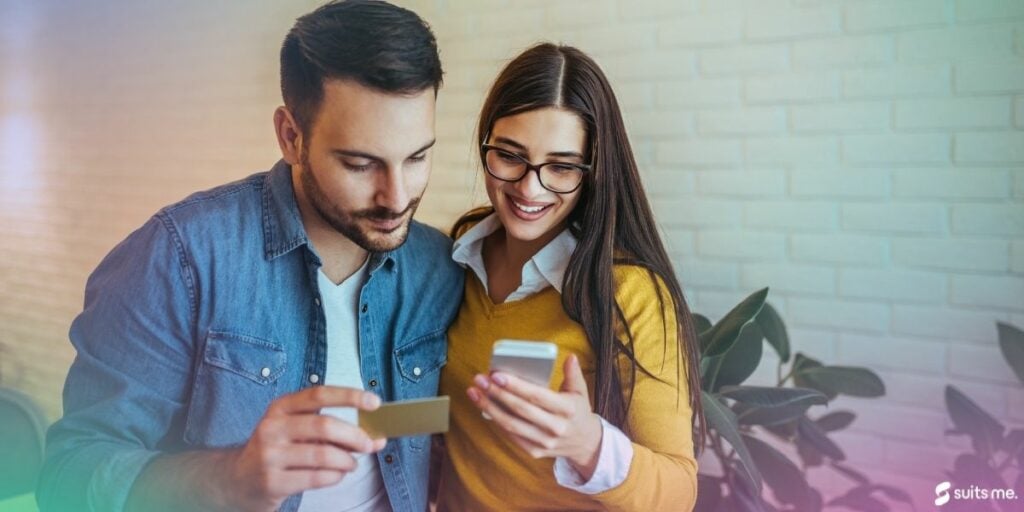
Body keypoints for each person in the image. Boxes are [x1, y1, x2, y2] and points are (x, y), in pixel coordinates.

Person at [36, 2, 463, 511]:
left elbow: (421, 427)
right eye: (359, 163)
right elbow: (66, 477)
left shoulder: (439, 266)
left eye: (417, 157)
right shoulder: (180, 257)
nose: (396, 197)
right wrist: (231, 479)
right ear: (291, 136)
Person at [436, 43, 705, 511]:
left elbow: (679, 491)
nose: (528, 188)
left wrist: (587, 444)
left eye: (560, 167)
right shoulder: (460, 252)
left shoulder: (632, 294)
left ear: (593, 171)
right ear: (485, 143)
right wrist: (368, 425)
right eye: (509, 156)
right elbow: (458, 414)